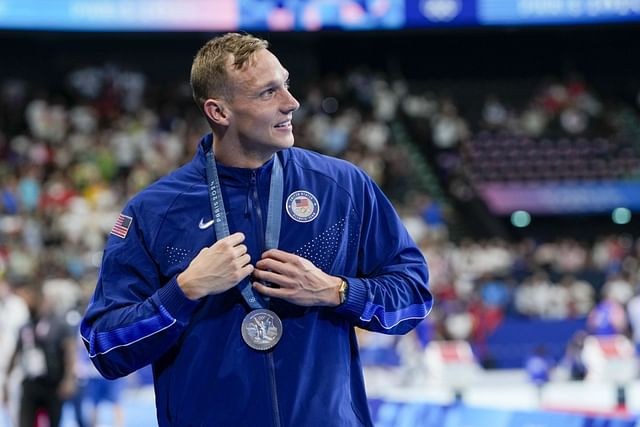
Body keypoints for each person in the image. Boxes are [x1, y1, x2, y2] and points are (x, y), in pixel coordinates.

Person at [80, 32, 432, 427]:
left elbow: (414, 295)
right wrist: (183, 292)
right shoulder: (154, 211)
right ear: (219, 111)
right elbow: (104, 346)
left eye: (286, 83)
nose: (291, 102)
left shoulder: (343, 187)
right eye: (268, 93)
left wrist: (336, 291)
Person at [3, 284, 76, 427]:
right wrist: (6, 381)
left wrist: (69, 379)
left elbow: (70, 351)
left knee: (54, 422)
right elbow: (16, 353)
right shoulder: (25, 325)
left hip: (53, 384)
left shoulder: (58, 324)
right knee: (25, 422)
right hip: (31, 384)